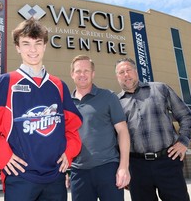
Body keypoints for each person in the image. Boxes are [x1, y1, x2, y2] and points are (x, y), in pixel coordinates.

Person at [0, 17, 83, 201]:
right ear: (18, 47)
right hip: (20, 178)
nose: (33, 49)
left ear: (45, 45)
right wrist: (2, 156)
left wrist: (69, 152)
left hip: (55, 178)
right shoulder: (6, 82)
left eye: (38, 43)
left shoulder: (58, 85)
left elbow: (72, 127)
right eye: (26, 43)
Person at [115, 57, 191, 201]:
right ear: (117, 77)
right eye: (121, 72)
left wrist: (183, 141)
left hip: (167, 161)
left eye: (128, 70)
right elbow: (115, 139)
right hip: (137, 168)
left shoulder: (160, 89)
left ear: (136, 72)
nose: (126, 75)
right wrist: (122, 168)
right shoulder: (116, 103)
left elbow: (186, 115)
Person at [69, 55, 131, 201]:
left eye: (86, 70)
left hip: (108, 168)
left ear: (93, 73)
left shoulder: (108, 96)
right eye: (78, 71)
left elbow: (123, 131)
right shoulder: (66, 103)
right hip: (78, 172)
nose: (82, 74)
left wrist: (123, 167)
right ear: (72, 74)